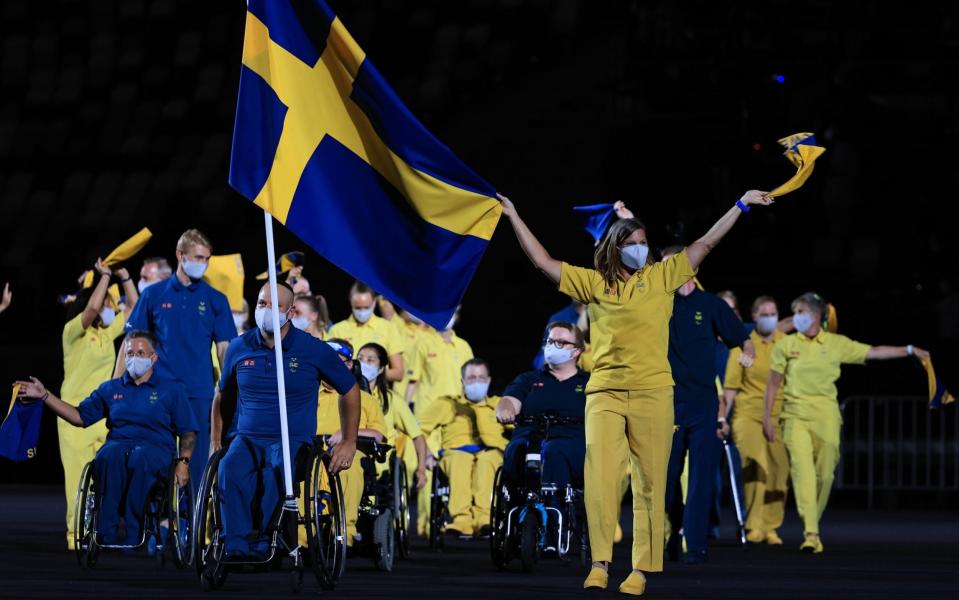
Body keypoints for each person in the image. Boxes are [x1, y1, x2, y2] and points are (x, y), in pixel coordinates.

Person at [500, 188, 772, 595]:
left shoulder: (663, 277)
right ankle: (599, 563)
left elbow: (707, 242)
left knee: (650, 482)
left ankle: (640, 569)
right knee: (600, 476)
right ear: (614, 247)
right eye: (633, 244)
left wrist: (740, 204)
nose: (641, 250)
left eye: (645, 244)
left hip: (653, 393)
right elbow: (542, 261)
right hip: (605, 392)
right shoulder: (594, 283)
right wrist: (514, 214)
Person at [764, 292, 929, 554]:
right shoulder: (786, 344)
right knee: (802, 472)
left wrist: (908, 350)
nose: (796, 318)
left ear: (817, 316)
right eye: (795, 313)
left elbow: (873, 352)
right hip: (795, 416)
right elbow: (773, 383)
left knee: (826, 473)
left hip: (826, 416)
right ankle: (811, 533)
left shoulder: (835, 343)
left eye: (801, 312)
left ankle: (812, 521)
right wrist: (767, 418)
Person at [210, 282, 360, 559]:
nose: (266, 311)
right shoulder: (238, 347)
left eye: (274, 306)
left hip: (293, 440)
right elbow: (223, 395)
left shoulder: (312, 349)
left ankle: (270, 539)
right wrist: (216, 441)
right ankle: (235, 544)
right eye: (261, 304)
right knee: (229, 466)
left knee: (277, 469)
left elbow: (349, 388)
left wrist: (350, 440)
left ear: (290, 312)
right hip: (249, 437)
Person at [16, 330, 196, 547]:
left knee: (140, 458)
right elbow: (79, 416)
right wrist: (45, 395)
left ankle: (133, 533)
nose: (134, 358)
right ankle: (105, 533)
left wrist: (183, 462)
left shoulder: (171, 389)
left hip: (155, 448)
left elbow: (187, 432)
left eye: (141, 353)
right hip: (119, 444)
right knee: (108, 456)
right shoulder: (111, 389)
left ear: (153, 358)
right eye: (130, 352)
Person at [660, 246, 754, 564]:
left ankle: (695, 544)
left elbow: (743, 338)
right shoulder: (655, 303)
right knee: (666, 478)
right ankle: (670, 533)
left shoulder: (710, 305)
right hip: (666, 402)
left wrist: (748, 352)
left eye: (674, 265)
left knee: (701, 478)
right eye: (663, 266)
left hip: (703, 405)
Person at [124, 229, 236, 487]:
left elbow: (223, 349)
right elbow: (133, 342)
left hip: (199, 392)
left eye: (206, 259)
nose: (202, 264)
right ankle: (159, 524)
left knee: (196, 468)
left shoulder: (216, 299)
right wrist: (121, 382)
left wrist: (231, 386)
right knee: (156, 462)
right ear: (180, 255)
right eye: (197, 257)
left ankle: (193, 525)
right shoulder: (153, 295)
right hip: (160, 390)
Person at [57, 258, 138, 549]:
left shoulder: (106, 335)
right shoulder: (72, 332)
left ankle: (99, 531)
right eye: (105, 301)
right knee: (76, 477)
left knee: (105, 478)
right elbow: (91, 309)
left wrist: (125, 277)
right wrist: (103, 276)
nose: (108, 306)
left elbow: (134, 310)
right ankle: (74, 536)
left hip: (103, 414)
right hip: (74, 415)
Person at [497, 322, 588, 506]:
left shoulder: (589, 382)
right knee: (518, 448)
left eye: (560, 343)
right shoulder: (529, 379)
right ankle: (515, 506)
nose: (552, 346)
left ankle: (557, 508)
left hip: (571, 440)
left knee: (555, 451)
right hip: (531, 436)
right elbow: (509, 400)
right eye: (550, 341)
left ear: (576, 351)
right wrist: (505, 409)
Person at [723, 295, 789, 545]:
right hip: (748, 414)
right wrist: (723, 417)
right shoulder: (744, 344)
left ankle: (771, 526)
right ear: (754, 317)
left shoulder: (785, 343)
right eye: (765, 313)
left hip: (778, 414)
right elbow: (731, 386)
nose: (770, 318)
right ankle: (753, 524)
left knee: (779, 470)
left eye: (774, 313)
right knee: (755, 463)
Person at [404, 307, 474, 535]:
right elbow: (412, 381)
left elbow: (472, 384)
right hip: (429, 417)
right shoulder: (423, 342)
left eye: (453, 311)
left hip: (458, 418)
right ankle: (424, 526)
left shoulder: (463, 346)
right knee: (428, 467)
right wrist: (405, 414)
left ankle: (456, 519)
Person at [419, 358, 506, 537]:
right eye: (471, 378)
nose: (477, 382)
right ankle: (462, 520)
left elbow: (519, 428)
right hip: (455, 452)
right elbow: (417, 430)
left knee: (487, 460)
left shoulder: (499, 404)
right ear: (462, 381)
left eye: (481, 378)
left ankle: (485, 519)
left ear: (489, 381)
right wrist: (427, 455)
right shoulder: (447, 404)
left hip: (490, 452)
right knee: (460, 459)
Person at [317, 338, 388, 547]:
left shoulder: (365, 398)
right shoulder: (308, 394)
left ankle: (343, 531)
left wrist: (348, 433)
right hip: (314, 449)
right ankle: (304, 536)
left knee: (349, 464)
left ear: (349, 364)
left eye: (335, 361)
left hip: (350, 448)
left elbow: (378, 435)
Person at [357, 342, 429, 490]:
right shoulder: (345, 394)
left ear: (381, 368)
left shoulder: (392, 400)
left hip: (379, 467)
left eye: (370, 360)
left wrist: (421, 469)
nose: (364, 363)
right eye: (360, 359)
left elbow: (418, 436)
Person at [328, 281, 405, 382]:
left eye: (366, 307)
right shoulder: (337, 330)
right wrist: (352, 371)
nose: (362, 312)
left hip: (376, 395)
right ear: (351, 303)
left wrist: (374, 372)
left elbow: (399, 373)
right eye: (358, 308)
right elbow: (328, 365)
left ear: (374, 303)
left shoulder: (388, 328)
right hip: (344, 392)